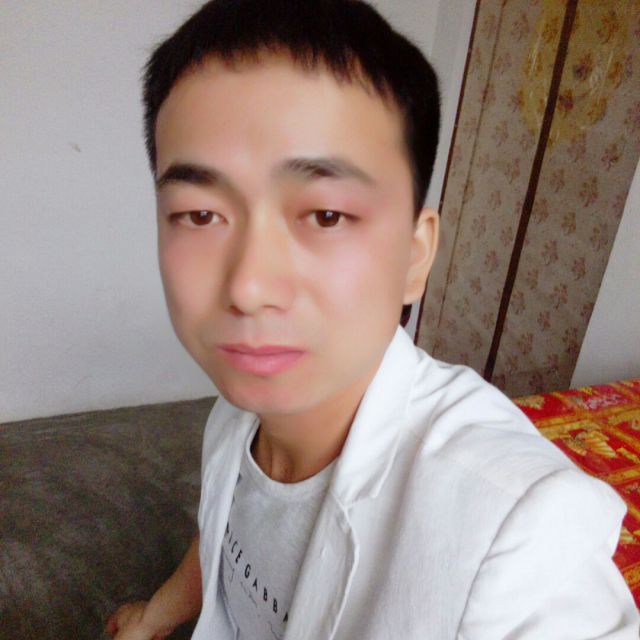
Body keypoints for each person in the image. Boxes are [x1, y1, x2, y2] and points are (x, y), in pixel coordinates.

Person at [106, 1, 640, 638]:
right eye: (200, 215)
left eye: (326, 215)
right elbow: (224, 530)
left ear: (414, 256)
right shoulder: (238, 410)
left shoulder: (516, 536)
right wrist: (154, 617)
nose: (248, 288)